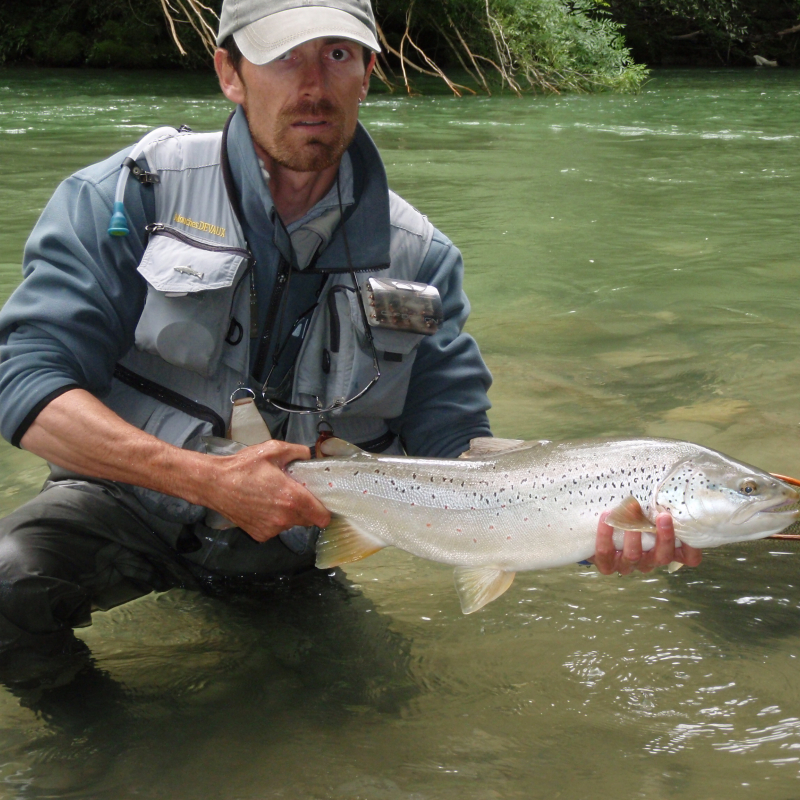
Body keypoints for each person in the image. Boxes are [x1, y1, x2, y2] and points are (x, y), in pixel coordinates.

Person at [0, 0, 699, 684]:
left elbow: (458, 453)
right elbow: (26, 386)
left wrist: (590, 528)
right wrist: (202, 478)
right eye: (283, 57)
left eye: (337, 56)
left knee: (383, 713)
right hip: (124, 503)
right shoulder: (131, 199)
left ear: (367, 73)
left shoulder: (420, 259)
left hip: (292, 550)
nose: (313, 86)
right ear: (229, 73)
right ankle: (99, 743)